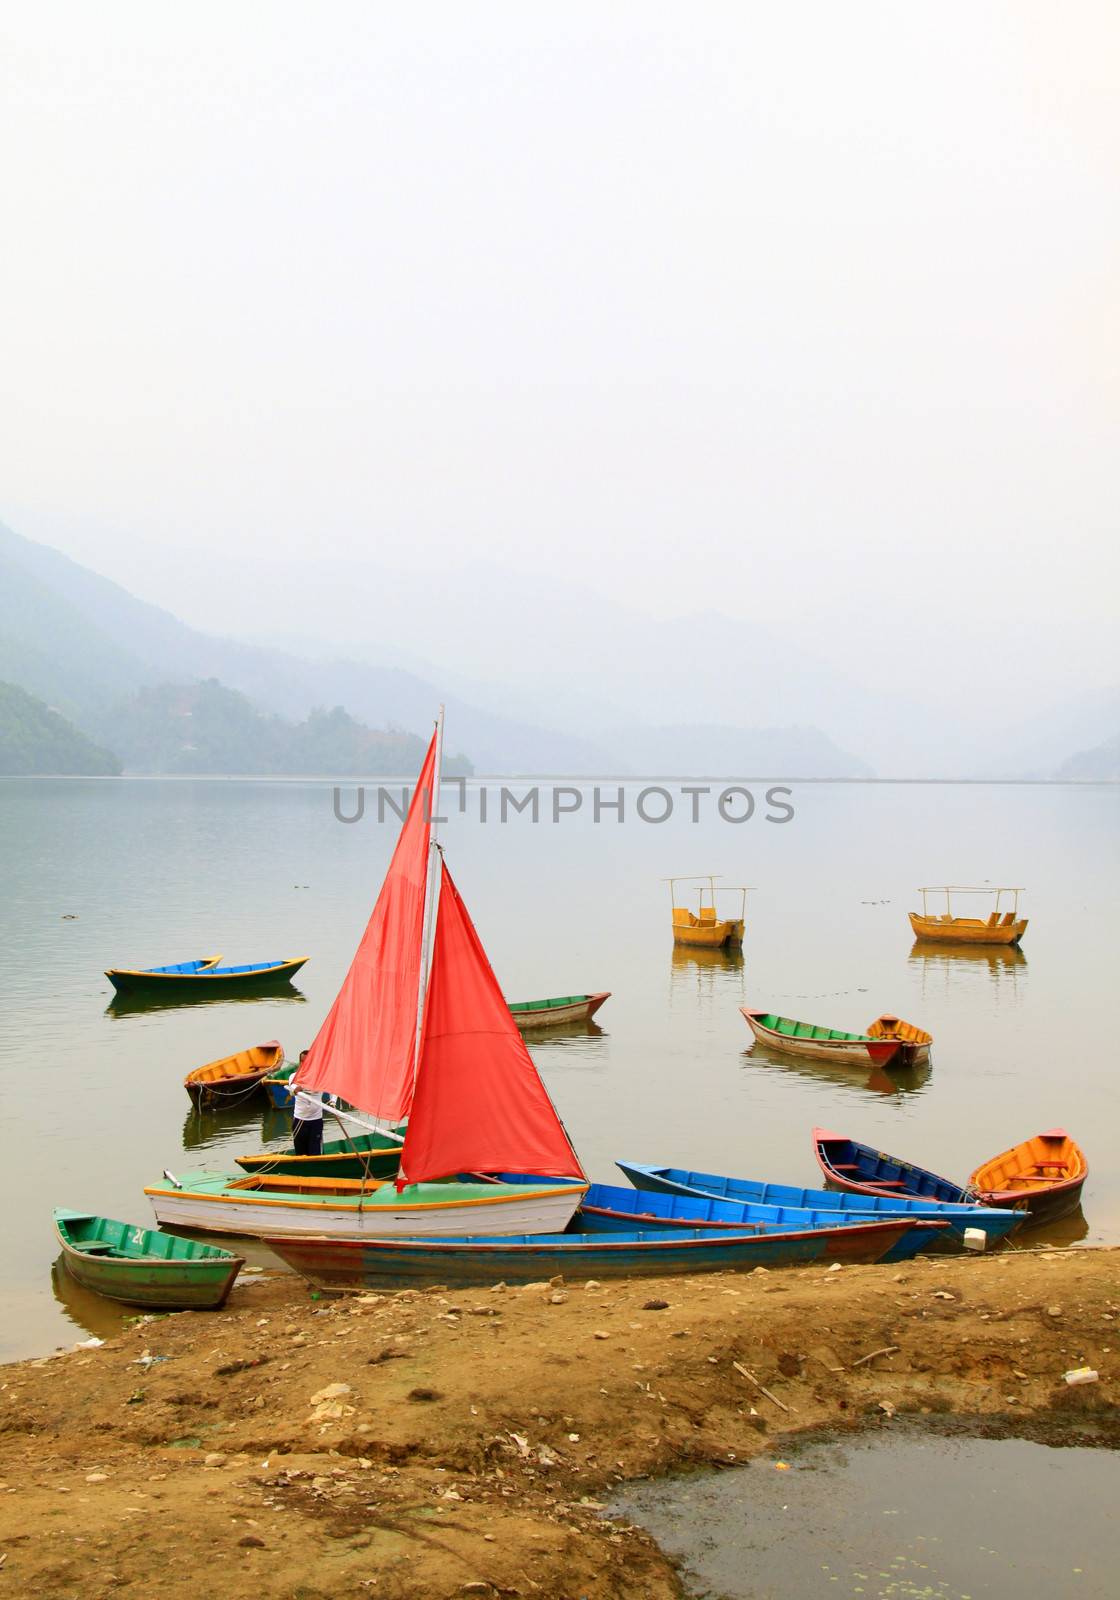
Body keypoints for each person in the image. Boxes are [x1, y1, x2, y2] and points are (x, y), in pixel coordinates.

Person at [291, 1050, 324, 1157]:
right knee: (300, 1154)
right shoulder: (294, 1076)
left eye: (308, 1062)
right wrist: (298, 1088)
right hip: (299, 1121)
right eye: (302, 1061)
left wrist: (333, 1101)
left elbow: (332, 1088)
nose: (304, 1064)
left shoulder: (320, 1077)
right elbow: (293, 1090)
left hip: (316, 1121)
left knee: (315, 1153)